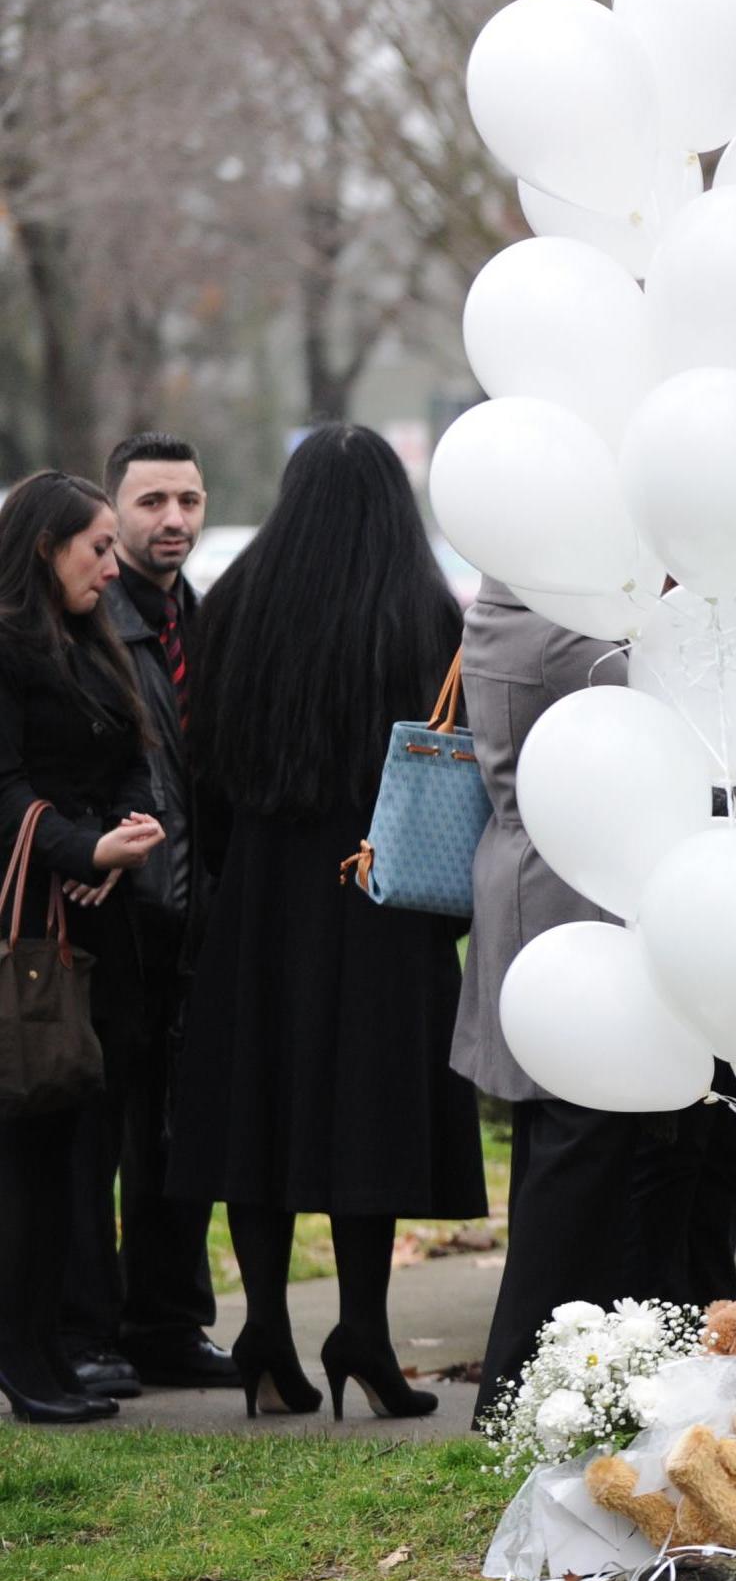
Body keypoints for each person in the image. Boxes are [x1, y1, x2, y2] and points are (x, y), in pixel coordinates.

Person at [170, 425, 485, 1421]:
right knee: (367, 1115)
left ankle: (265, 1327)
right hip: (381, 907)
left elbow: (202, 767)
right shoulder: (425, 614)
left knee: (255, 1110)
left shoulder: (232, 608)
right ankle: (363, 1330)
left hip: (258, 900)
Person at [453, 581, 680, 1422]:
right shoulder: (559, 620)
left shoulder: (515, 600)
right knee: (575, 1149)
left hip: (547, 892)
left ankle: (551, 1372)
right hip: (564, 903)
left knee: (571, 1148)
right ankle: (518, 1383)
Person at [59, 434, 236, 1400]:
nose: (173, 520)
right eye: (152, 501)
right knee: (95, 1136)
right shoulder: (84, 621)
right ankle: (88, 1327)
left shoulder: (201, 623)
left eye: (190, 500)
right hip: (110, 920)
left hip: (192, 925)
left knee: (180, 1134)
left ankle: (169, 1321)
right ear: (114, 512)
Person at [0, 472, 166, 1422]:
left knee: (68, 1146)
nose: (112, 564)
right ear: (41, 547)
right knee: (25, 1145)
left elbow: (133, 755)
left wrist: (116, 840)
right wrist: (78, 845)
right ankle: (25, 1354)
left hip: (92, 926)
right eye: (96, 547)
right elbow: (7, 787)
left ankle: (53, 1348)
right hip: (24, 928)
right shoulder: (10, 646)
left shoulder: (89, 639)